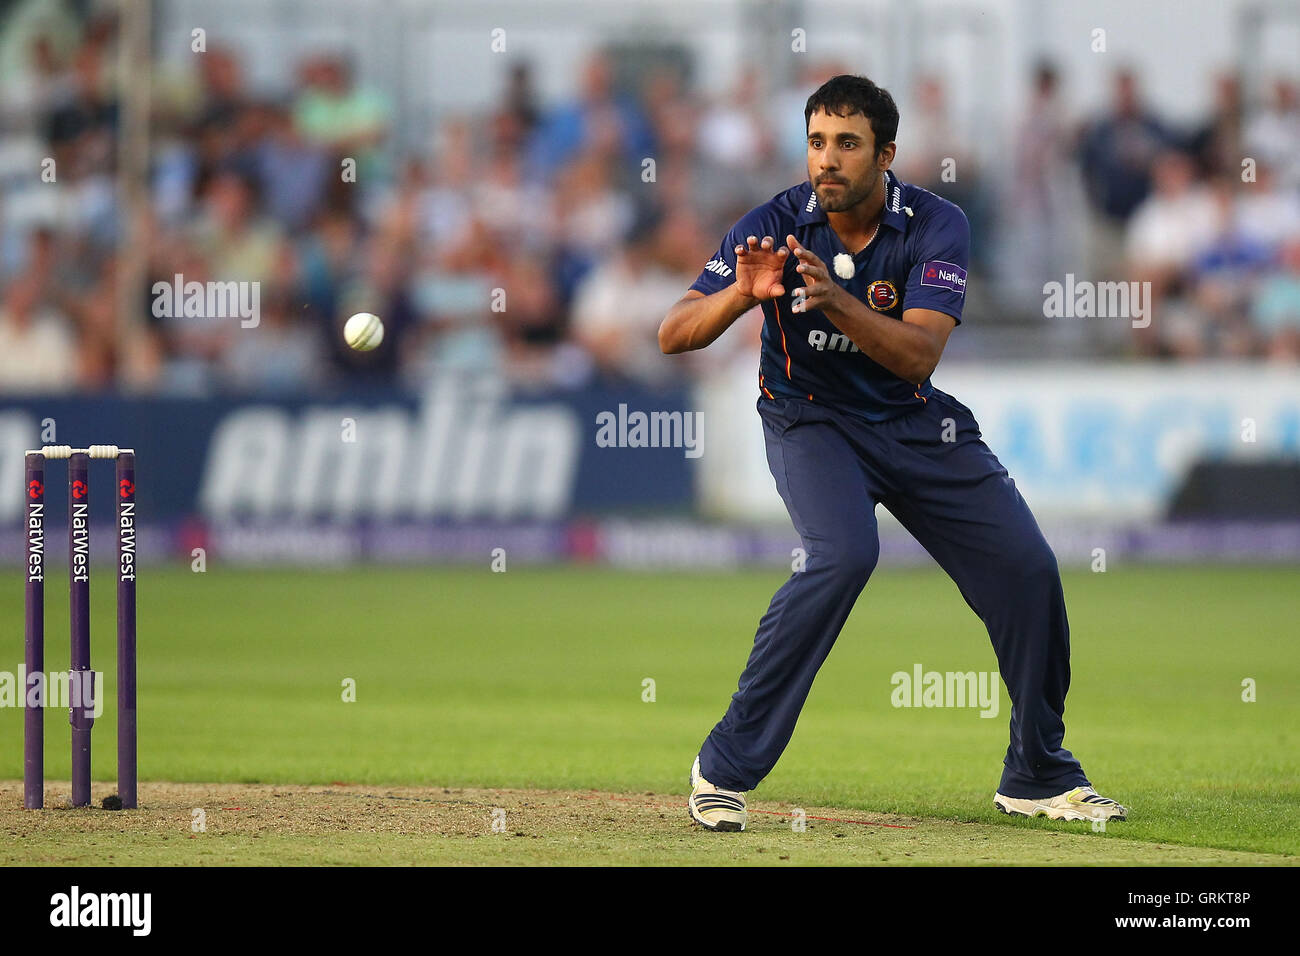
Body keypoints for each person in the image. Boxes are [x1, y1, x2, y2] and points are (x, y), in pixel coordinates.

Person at [659, 75, 1127, 832]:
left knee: (1029, 570)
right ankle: (723, 768)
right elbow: (674, 332)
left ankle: (1037, 771)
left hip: (914, 423)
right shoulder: (774, 221)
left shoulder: (938, 225)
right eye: (816, 142)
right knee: (842, 556)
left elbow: (917, 359)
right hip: (810, 421)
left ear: (887, 155)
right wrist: (739, 298)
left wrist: (835, 300)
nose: (827, 161)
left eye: (847, 144)